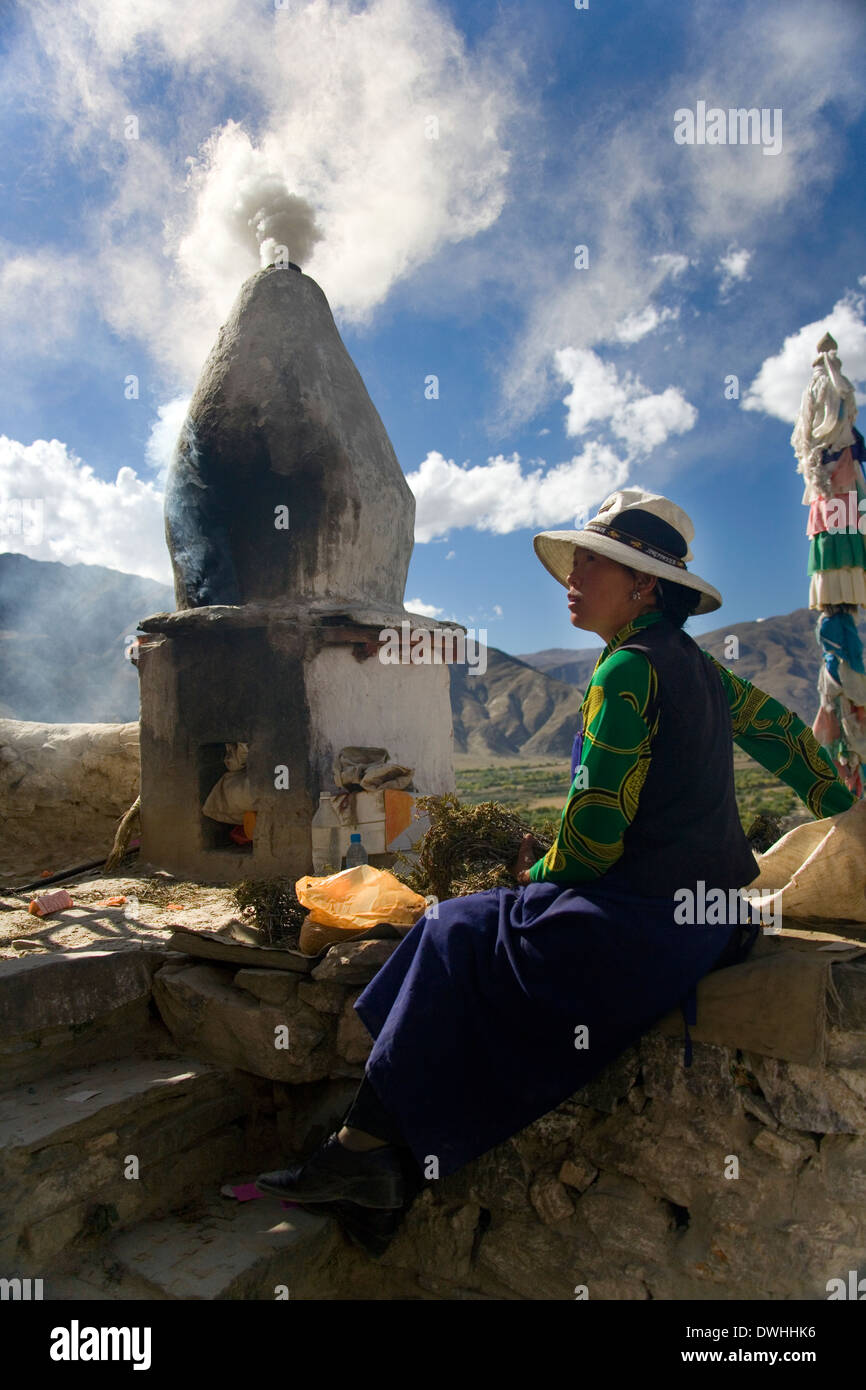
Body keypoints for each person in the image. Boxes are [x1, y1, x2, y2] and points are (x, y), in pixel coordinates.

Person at [256, 488, 857, 1253]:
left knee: (451, 931)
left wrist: (530, 873)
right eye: (573, 564)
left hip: (639, 929)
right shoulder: (699, 670)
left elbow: (594, 839)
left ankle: (362, 1157)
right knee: (471, 933)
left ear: (644, 584)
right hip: (705, 924)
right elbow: (781, 732)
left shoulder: (627, 673)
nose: (572, 578)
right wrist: (845, 809)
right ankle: (373, 1166)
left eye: (592, 566)